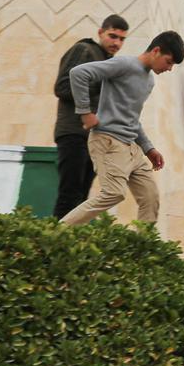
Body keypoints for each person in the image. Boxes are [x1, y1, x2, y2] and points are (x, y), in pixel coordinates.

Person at [59, 31, 184, 225]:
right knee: (114, 193)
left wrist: (148, 148)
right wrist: (85, 112)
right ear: (156, 51)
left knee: (150, 198)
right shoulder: (124, 65)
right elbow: (78, 73)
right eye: (168, 62)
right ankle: (60, 232)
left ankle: (141, 250)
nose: (169, 68)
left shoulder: (149, 81)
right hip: (108, 141)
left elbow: (133, 119)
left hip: (131, 148)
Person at [52, 15, 130, 217]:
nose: (116, 43)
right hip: (73, 132)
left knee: (81, 202)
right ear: (100, 33)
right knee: (69, 197)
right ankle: (53, 245)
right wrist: (100, 87)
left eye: (122, 39)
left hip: (95, 140)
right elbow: (62, 87)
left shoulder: (109, 64)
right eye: (113, 36)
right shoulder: (84, 50)